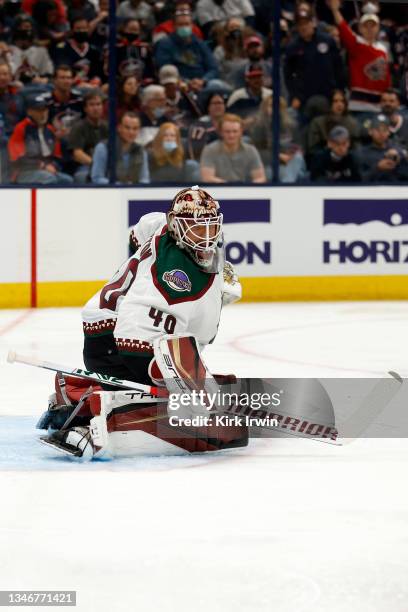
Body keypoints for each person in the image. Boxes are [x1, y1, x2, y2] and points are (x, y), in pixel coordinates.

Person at [38, 186, 247, 458]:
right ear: (177, 225)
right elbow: (135, 337)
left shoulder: (162, 226)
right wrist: (174, 378)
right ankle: (99, 417)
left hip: (103, 331)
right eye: (196, 228)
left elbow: (139, 230)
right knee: (179, 402)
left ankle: (73, 390)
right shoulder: (174, 277)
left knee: (173, 384)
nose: (206, 237)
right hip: (118, 342)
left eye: (210, 227)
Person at [328, 0, 390, 112]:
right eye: (366, 26)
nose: (370, 29)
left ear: (378, 28)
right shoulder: (356, 43)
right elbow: (343, 27)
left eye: (373, 26)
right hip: (359, 105)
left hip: (379, 105)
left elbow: (386, 77)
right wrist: (335, 10)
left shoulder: (383, 49)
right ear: (360, 28)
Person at [284, 4, 345, 113]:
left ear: (313, 23)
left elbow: (338, 67)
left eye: (306, 23)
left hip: (328, 93)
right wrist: (295, 96)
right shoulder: (292, 47)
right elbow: (288, 76)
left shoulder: (327, 40)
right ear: (297, 27)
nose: (303, 27)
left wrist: (339, 90)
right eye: (300, 24)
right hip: (304, 97)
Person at [8, 91, 73, 184]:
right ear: (29, 111)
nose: (43, 114)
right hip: (24, 172)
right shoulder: (21, 128)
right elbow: (16, 158)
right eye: (38, 110)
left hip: (48, 170)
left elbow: (57, 156)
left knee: (68, 180)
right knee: (50, 179)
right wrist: (41, 165)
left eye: (45, 110)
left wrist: (54, 166)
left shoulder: (51, 130)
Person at [154, 9, 219, 93]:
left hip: (203, 82)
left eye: (187, 24)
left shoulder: (200, 43)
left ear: (192, 26)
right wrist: (186, 82)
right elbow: (166, 69)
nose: (184, 27)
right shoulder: (165, 44)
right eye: (180, 25)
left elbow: (213, 68)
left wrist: (203, 80)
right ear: (174, 26)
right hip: (179, 83)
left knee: (220, 87)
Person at [249, 94, 307, 183]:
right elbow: (255, 151)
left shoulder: (291, 125)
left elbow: (299, 145)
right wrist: (277, 156)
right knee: (290, 174)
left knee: (298, 159)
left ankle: (286, 183)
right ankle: (286, 186)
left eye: (279, 106)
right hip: (269, 165)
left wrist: (291, 154)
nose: (275, 109)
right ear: (265, 108)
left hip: (290, 163)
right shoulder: (259, 126)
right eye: (271, 106)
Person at [200, 113, 266, 183]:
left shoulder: (251, 150)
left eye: (235, 131)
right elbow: (207, 178)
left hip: (244, 191)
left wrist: (246, 188)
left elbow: (260, 178)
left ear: (241, 132)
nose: (231, 135)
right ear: (221, 132)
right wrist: (229, 187)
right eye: (227, 132)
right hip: (218, 191)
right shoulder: (210, 150)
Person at [91, 111, 149, 184]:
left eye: (135, 128)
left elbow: (144, 179)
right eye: (127, 128)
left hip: (133, 193)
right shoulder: (103, 148)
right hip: (108, 193)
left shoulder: (141, 151)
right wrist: (121, 187)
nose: (131, 132)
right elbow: (97, 178)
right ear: (119, 128)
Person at [67, 90, 108, 183]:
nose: (96, 108)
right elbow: (77, 154)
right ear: (85, 108)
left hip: (106, 165)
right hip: (85, 166)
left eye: (98, 104)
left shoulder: (107, 127)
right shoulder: (79, 127)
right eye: (92, 105)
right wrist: (97, 164)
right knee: (81, 177)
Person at [306, 89, 361, 155]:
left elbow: (357, 148)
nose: (340, 104)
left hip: (346, 158)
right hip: (324, 158)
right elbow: (313, 149)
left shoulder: (352, 123)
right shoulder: (317, 123)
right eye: (335, 101)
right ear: (329, 103)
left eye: (342, 101)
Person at [357, 114, 408, 182]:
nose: (381, 133)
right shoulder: (361, 153)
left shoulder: (396, 151)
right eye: (378, 130)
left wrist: (401, 158)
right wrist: (377, 168)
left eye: (384, 130)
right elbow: (359, 180)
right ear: (370, 131)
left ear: (389, 132)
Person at [52, 14, 102, 84]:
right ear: (72, 30)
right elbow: (63, 70)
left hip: (90, 85)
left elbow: (98, 73)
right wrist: (77, 81)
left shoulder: (94, 50)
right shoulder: (62, 48)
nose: (81, 31)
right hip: (70, 84)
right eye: (78, 28)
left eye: (84, 28)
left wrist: (96, 79)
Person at [8, 15, 54, 83]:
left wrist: (44, 80)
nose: (26, 30)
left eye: (28, 27)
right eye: (23, 27)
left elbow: (48, 75)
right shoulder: (7, 51)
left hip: (35, 86)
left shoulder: (41, 51)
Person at [187, 90, 227, 161]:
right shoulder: (199, 126)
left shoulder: (231, 123)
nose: (218, 106)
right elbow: (196, 152)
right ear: (208, 107)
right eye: (214, 103)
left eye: (220, 103)